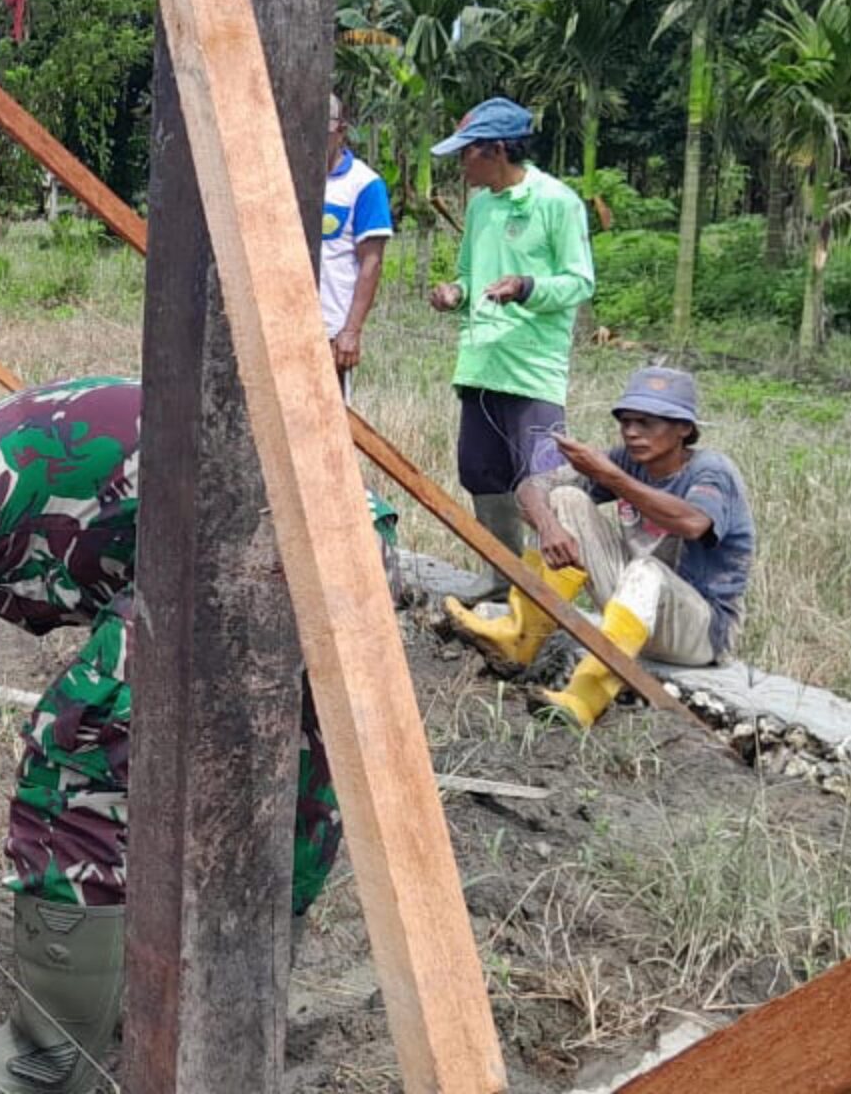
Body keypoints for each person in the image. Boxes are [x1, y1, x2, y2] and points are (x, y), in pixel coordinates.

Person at [0, 378, 341, 1094]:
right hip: (336, 529)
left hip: (235, 550)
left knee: (68, 752)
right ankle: (229, 1010)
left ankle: (43, 1062)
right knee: (284, 781)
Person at [445, 366, 754, 726]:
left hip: (702, 632)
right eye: (625, 422)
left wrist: (610, 476)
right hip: (633, 612)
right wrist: (548, 527)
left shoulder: (711, 471)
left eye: (645, 423)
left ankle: (585, 695)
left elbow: (692, 522)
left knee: (647, 570)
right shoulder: (627, 460)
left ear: (684, 428)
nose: (632, 433)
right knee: (564, 499)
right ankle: (520, 637)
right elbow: (532, 488)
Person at [426, 97, 594, 602]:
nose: (461, 166)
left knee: (543, 477)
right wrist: (454, 294)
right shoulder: (480, 207)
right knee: (480, 469)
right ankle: (501, 575)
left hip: (531, 367)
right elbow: (469, 277)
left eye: (467, 154)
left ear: (496, 151)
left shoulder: (557, 202)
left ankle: (548, 591)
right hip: (481, 361)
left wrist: (526, 286)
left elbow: (579, 282)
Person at [320, 93, 393, 395]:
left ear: (341, 130)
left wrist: (351, 330)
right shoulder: (285, 177)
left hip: (330, 330)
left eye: (322, 129)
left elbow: (371, 262)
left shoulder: (364, 185)